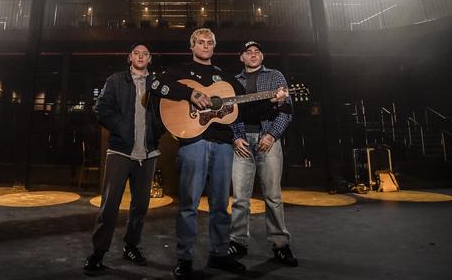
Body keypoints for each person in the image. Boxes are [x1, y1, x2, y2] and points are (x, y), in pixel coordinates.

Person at [150, 28, 287, 279]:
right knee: (189, 204)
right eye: (200, 42)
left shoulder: (224, 78)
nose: (205, 46)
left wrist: (272, 101)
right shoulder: (179, 71)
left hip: (224, 145)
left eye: (209, 43)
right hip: (193, 143)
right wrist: (190, 93)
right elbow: (155, 84)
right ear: (192, 46)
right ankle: (185, 258)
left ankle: (220, 253)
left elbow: (244, 109)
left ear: (214, 47)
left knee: (221, 204)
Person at [84, 42, 164, 276]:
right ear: (130, 57)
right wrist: (121, 127)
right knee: (109, 206)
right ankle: (98, 254)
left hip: (148, 154)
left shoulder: (157, 84)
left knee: (140, 206)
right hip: (120, 151)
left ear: (150, 59)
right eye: (136, 53)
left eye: (145, 53)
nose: (141, 56)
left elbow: (166, 112)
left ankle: (131, 247)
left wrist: (157, 131)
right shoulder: (116, 80)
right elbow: (101, 108)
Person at [229, 40, 298, 266]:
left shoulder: (276, 76)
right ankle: (237, 242)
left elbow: (286, 110)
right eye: (248, 52)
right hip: (242, 143)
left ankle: (280, 245)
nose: (253, 54)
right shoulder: (233, 82)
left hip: (267, 140)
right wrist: (236, 137)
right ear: (242, 57)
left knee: (273, 196)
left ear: (262, 56)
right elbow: (229, 113)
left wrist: (272, 135)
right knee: (240, 198)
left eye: (257, 51)